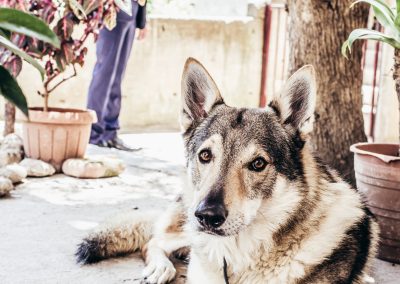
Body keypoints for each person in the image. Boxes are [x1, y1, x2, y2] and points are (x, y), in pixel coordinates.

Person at [87, 0, 147, 151]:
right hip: (114, 10)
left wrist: (142, 20)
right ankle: (94, 134)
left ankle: (110, 133)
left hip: (132, 11)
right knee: (104, 74)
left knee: (117, 76)